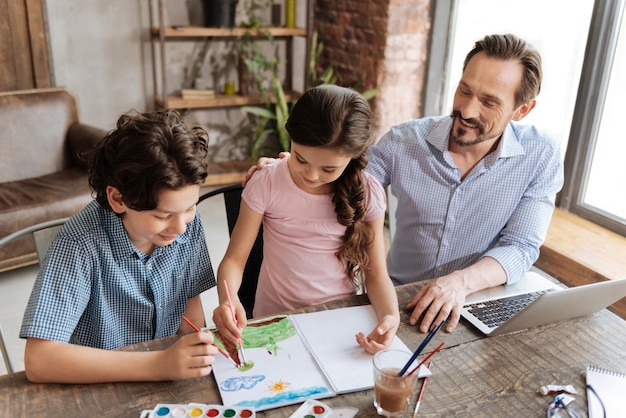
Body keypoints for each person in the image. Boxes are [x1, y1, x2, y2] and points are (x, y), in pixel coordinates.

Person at [245, 34, 564, 334]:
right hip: (401, 296)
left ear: (522, 110)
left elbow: (521, 247)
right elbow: (345, 179)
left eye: (489, 102)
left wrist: (459, 284)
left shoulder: (541, 155)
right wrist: (290, 167)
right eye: (464, 90)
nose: (466, 109)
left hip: (479, 296)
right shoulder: (403, 141)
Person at [20, 109, 218, 383]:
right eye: (162, 216)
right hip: (99, 385)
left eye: (190, 208)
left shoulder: (185, 223)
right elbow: (39, 360)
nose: (180, 227)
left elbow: (189, 313)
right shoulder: (79, 244)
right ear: (117, 198)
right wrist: (159, 364)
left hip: (165, 385)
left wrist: (199, 348)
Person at [213, 84, 400, 354]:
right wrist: (227, 301)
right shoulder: (267, 182)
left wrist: (390, 318)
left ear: (353, 156)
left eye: (328, 168)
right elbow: (234, 260)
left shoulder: (368, 192)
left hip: (339, 320)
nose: (311, 175)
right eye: (300, 159)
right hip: (274, 321)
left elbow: (376, 274)